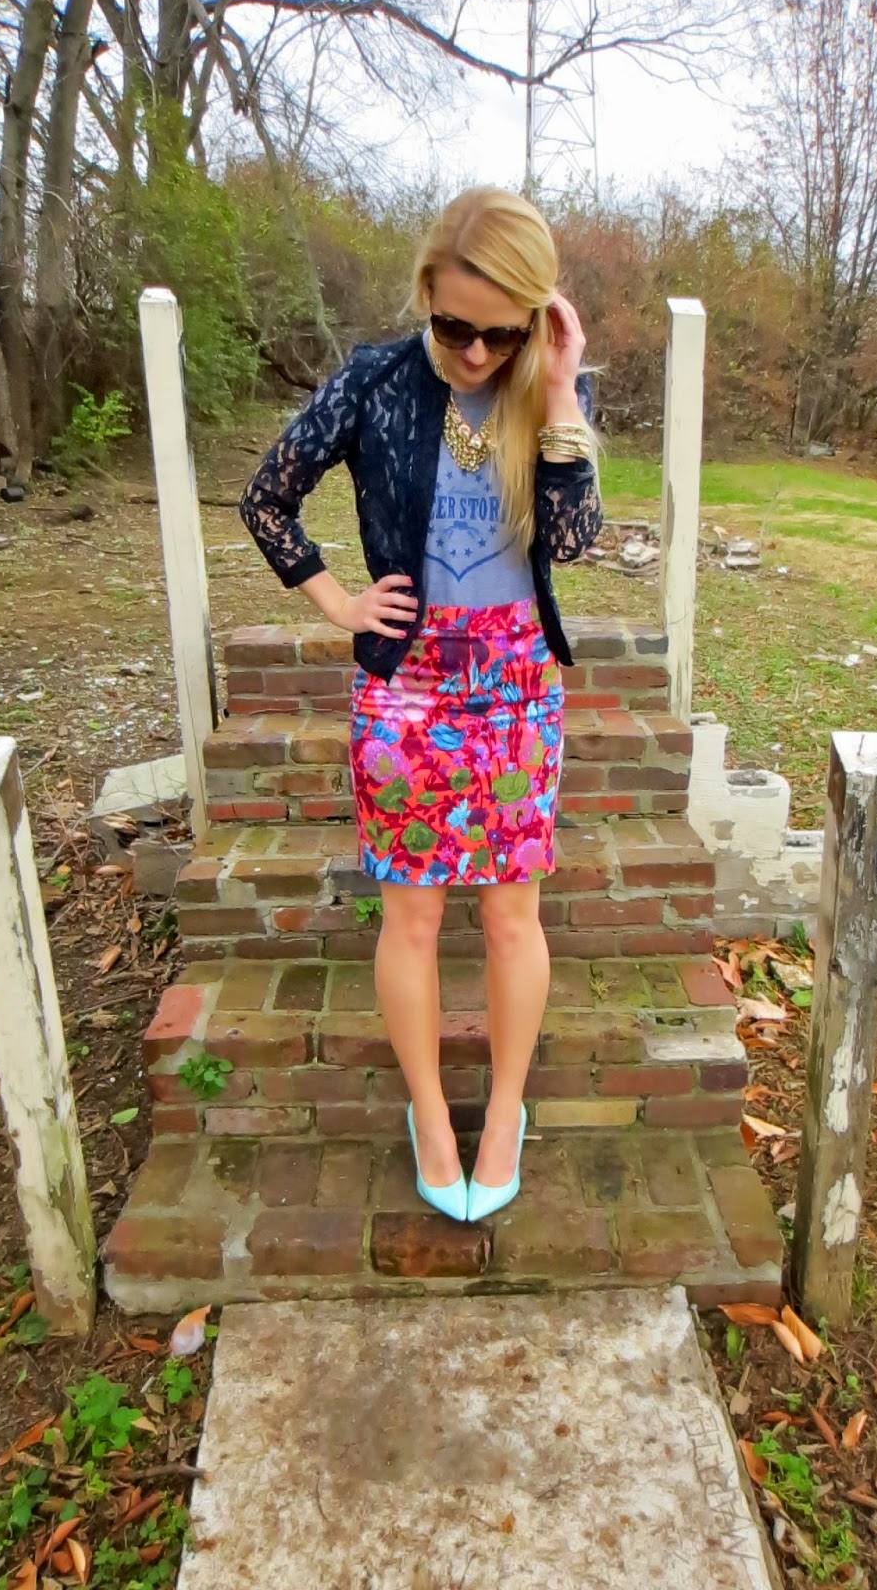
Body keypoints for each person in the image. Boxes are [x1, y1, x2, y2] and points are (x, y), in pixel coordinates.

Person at [240, 186, 603, 1224]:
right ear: (425, 299)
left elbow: (571, 541)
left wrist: (562, 387)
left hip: (517, 684)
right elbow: (267, 498)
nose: (477, 352)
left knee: (512, 912)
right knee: (412, 912)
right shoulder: (376, 381)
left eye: (502, 332)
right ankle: (433, 1116)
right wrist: (339, 602)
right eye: (454, 327)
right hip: (406, 684)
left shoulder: (547, 390)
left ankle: (505, 1113)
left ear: (534, 317)